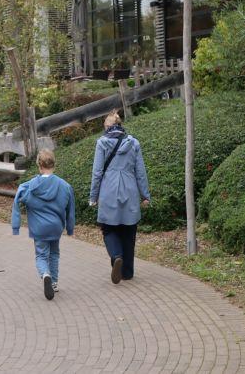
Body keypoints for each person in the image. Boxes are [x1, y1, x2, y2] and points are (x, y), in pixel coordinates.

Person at [89, 110, 150, 284]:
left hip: (108, 190)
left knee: (109, 228)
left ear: (107, 126)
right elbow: (140, 172)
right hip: (130, 190)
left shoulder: (102, 143)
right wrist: (145, 195)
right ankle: (128, 272)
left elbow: (97, 172)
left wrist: (93, 196)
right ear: (120, 125)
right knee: (129, 230)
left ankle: (116, 256)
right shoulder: (134, 143)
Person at [11, 149, 75, 300]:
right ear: (54, 164)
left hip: (39, 228)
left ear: (39, 166)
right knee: (54, 253)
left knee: (41, 255)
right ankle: (54, 283)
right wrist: (70, 229)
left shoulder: (29, 186)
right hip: (56, 227)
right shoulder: (65, 186)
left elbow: (17, 200)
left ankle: (45, 274)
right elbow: (70, 210)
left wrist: (16, 226)